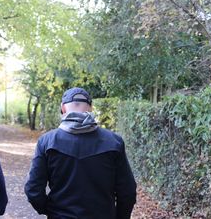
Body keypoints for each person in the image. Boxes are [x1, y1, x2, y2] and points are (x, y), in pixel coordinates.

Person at [24, 87, 137, 219]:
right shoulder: (114, 142)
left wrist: (51, 211)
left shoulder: (47, 142)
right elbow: (127, 192)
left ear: (63, 108)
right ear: (90, 108)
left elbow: (33, 190)